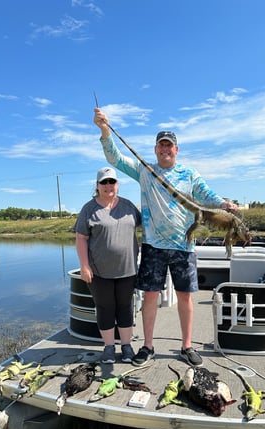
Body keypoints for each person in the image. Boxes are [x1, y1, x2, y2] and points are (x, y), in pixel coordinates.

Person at [94, 108, 238, 367]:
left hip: (184, 245)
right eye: (161, 146)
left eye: (169, 146)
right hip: (153, 246)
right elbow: (114, 158)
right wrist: (105, 130)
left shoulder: (190, 174)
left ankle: (187, 346)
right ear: (155, 149)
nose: (165, 150)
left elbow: (208, 196)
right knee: (150, 296)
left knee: (185, 296)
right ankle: (147, 346)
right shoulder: (145, 171)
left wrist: (226, 204)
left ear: (176, 149)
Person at [75, 166, 141, 364]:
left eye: (111, 181)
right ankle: (109, 347)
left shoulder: (129, 207)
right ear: (97, 186)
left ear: (117, 185)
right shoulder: (89, 209)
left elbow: (147, 227)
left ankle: (127, 346)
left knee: (125, 307)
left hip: (127, 270)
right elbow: (81, 238)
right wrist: (84, 266)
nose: (108, 185)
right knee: (105, 308)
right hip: (99, 272)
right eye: (103, 182)